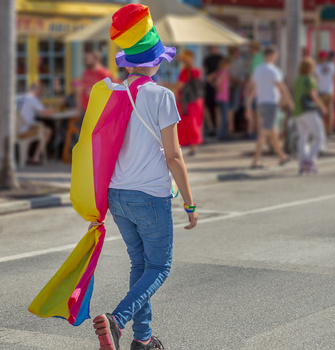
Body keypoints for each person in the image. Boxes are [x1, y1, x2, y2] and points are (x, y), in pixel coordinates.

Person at [92, 5, 198, 350]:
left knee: (140, 265)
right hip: (149, 196)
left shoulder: (114, 93)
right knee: (160, 266)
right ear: (155, 61)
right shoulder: (162, 96)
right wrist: (190, 201)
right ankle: (117, 321)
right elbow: (173, 155)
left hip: (117, 195)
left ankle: (144, 339)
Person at [246, 46, 294, 168]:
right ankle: (256, 160)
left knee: (273, 132)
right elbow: (282, 87)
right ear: (272, 56)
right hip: (271, 104)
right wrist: (290, 102)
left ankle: (281, 156)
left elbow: (252, 89)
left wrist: (248, 106)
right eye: (275, 56)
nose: (276, 58)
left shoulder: (257, 70)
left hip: (260, 103)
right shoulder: (274, 71)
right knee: (264, 133)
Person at [293, 58, 327, 175]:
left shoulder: (297, 80)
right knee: (319, 136)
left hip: (297, 112)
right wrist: (322, 106)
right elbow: (313, 96)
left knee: (303, 137)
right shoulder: (309, 80)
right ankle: (310, 161)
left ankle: (302, 164)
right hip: (308, 111)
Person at [173, 50, 204, 156]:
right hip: (196, 100)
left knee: (189, 123)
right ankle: (193, 146)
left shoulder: (186, 71)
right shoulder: (197, 71)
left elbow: (180, 85)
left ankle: (192, 146)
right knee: (194, 123)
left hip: (188, 101)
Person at [15, 82, 53, 164]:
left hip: (12, 130)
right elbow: (46, 113)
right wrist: (54, 110)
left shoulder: (17, 97)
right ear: (38, 91)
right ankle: (36, 157)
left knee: (33, 127)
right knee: (47, 131)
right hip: (22, 132)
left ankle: (26, 156)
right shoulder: (33, 99)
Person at [76, 50, 113, 122]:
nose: (85, 60)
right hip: (85, 110)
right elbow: (80, 89)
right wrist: (78, 107)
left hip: (98, 111)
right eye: (85, 59)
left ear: (96, 59)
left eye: (88, 59)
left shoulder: (104, 73)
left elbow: (111, 92)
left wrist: (95, 92)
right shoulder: (86, 72)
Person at [203, 46, 223, 135]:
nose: (214, 49)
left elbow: (223, 71)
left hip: (219, 85)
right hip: (210, 85)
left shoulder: (221, 58)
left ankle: (219, 128)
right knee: (207, 106)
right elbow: (206, 72)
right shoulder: (207, 59)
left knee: (217, 107)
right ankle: (211, 126)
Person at [315, 51, 335, 136]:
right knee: (330, 112)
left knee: (318, 112)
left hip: (320, 92)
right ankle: (329, 130)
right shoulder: (332, 66)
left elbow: (315, 79)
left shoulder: (316, 67)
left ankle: (320, 130)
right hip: (330, 91)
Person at [213, 57, 232, 140]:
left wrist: (217, 87)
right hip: (223, 98)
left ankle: (221, 133)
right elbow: (217, 81)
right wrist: (219, 87)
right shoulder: (224, 72)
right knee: (224, 117)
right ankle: (223, 135)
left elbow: (212, 79)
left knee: (220, 117)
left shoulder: (218, 72)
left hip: (218, 97)